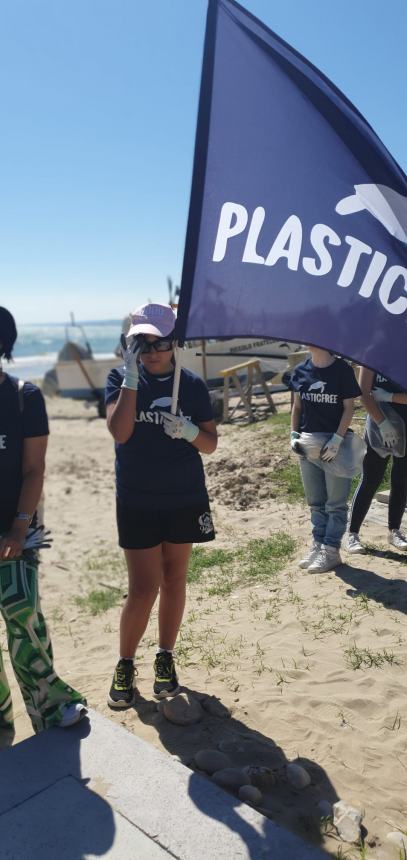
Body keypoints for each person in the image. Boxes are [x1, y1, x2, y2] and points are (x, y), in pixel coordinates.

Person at [106, 303, 217, 708]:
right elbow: (119, 433)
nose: (152, 351)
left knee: (174, 580)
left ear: (175, 343)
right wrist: (131, 380)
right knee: (142, 588)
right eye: (142, 342)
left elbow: (210, 443)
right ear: (130, 344)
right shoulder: (120, 378)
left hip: (184, 495)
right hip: (137, 498)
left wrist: (188, 431)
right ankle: (125, 662)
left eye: (161, 342)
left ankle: (165, 657)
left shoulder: (191, 385)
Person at [0, 307, 87, 739]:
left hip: (15, 532)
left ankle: (50, 708)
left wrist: (18, 527)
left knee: (24, 617)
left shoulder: (23, 397)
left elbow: (34, 469)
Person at [290, 346, 361, 573]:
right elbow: (296, 406)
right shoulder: (300, 370)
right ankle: (318, 544)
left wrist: (337, 439)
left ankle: (331, 550)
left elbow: (349, 407)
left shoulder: (342, 370)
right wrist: (293, 435)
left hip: (335, 446)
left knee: (335, 504)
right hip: (307, 444)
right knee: (315, 502)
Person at [347, 368, 407, 553]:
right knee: (371, 479)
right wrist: (382, 423)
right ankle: (352, 534)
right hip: (378, 426)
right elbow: (364, 394)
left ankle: (394, 531)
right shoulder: (372, 355)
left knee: (401, 480)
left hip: (405, 424)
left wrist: (389, 396)